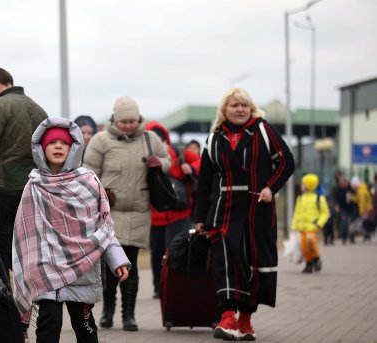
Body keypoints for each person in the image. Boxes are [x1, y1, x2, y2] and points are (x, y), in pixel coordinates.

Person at [12, 117, 130, 343]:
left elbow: (104, 227)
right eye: (52, 143)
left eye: (64, 143)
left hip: (81, 269)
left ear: (74, 147)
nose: (58, 146)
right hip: (46, 270)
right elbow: (25, 234)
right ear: (41, 148)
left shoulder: (88, 181)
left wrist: (118, 260)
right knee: (48, 324)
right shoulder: (34, 185)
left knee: (84, 325)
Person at [195, 87, 294, 341]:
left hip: (256, 210)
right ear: (224, 110)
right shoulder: (213, 139)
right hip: (223, 210)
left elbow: (286, 161)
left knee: (253, 265)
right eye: (234, 105)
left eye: (244, 105)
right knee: (225, 263)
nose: (240, 110)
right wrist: (201, 218)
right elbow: (204, 181)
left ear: (251, 108)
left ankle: (246, 320)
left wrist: (271, 187)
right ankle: (227, 317)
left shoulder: (263, 130)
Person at [84, 96, 171, 331]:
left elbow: (168, 160)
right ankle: (108, 312)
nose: (129, 125)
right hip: (108, 215)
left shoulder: (149, 138)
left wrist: (159, 164)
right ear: (115, 119)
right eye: (124, 121)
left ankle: (129, 315)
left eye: (133, 121)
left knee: (129, 265)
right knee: (110, 268)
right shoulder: (100, 140)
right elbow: (89, 174)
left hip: (139, 211)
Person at [0, 66, 48, 273]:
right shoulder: (38, 108)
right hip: (34, 188)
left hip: (4, 189)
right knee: (28, 250)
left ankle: (2, 303)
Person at [145, 121, 200, 298]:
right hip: (155, 216)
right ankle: (158, 287)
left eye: (162, 140)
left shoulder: (180, 153)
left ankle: (175, 286)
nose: (161, 145)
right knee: (157, 254)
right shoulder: (144, 157)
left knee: (177, 252)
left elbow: (203, 161)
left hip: (180, 214)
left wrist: (190, 168)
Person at [291, 174, 330, 273]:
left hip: (312, 226)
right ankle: (309, 263)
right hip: (302, 227)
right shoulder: (300, 198)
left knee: (311, 242)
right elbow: (296, 213)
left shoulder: (319, 198)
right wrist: (294, 226)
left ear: (309, 185)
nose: (301, 185)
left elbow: (325, 213)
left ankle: (316, 258)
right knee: (304, 246)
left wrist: (318, 224)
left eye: (303, 183)